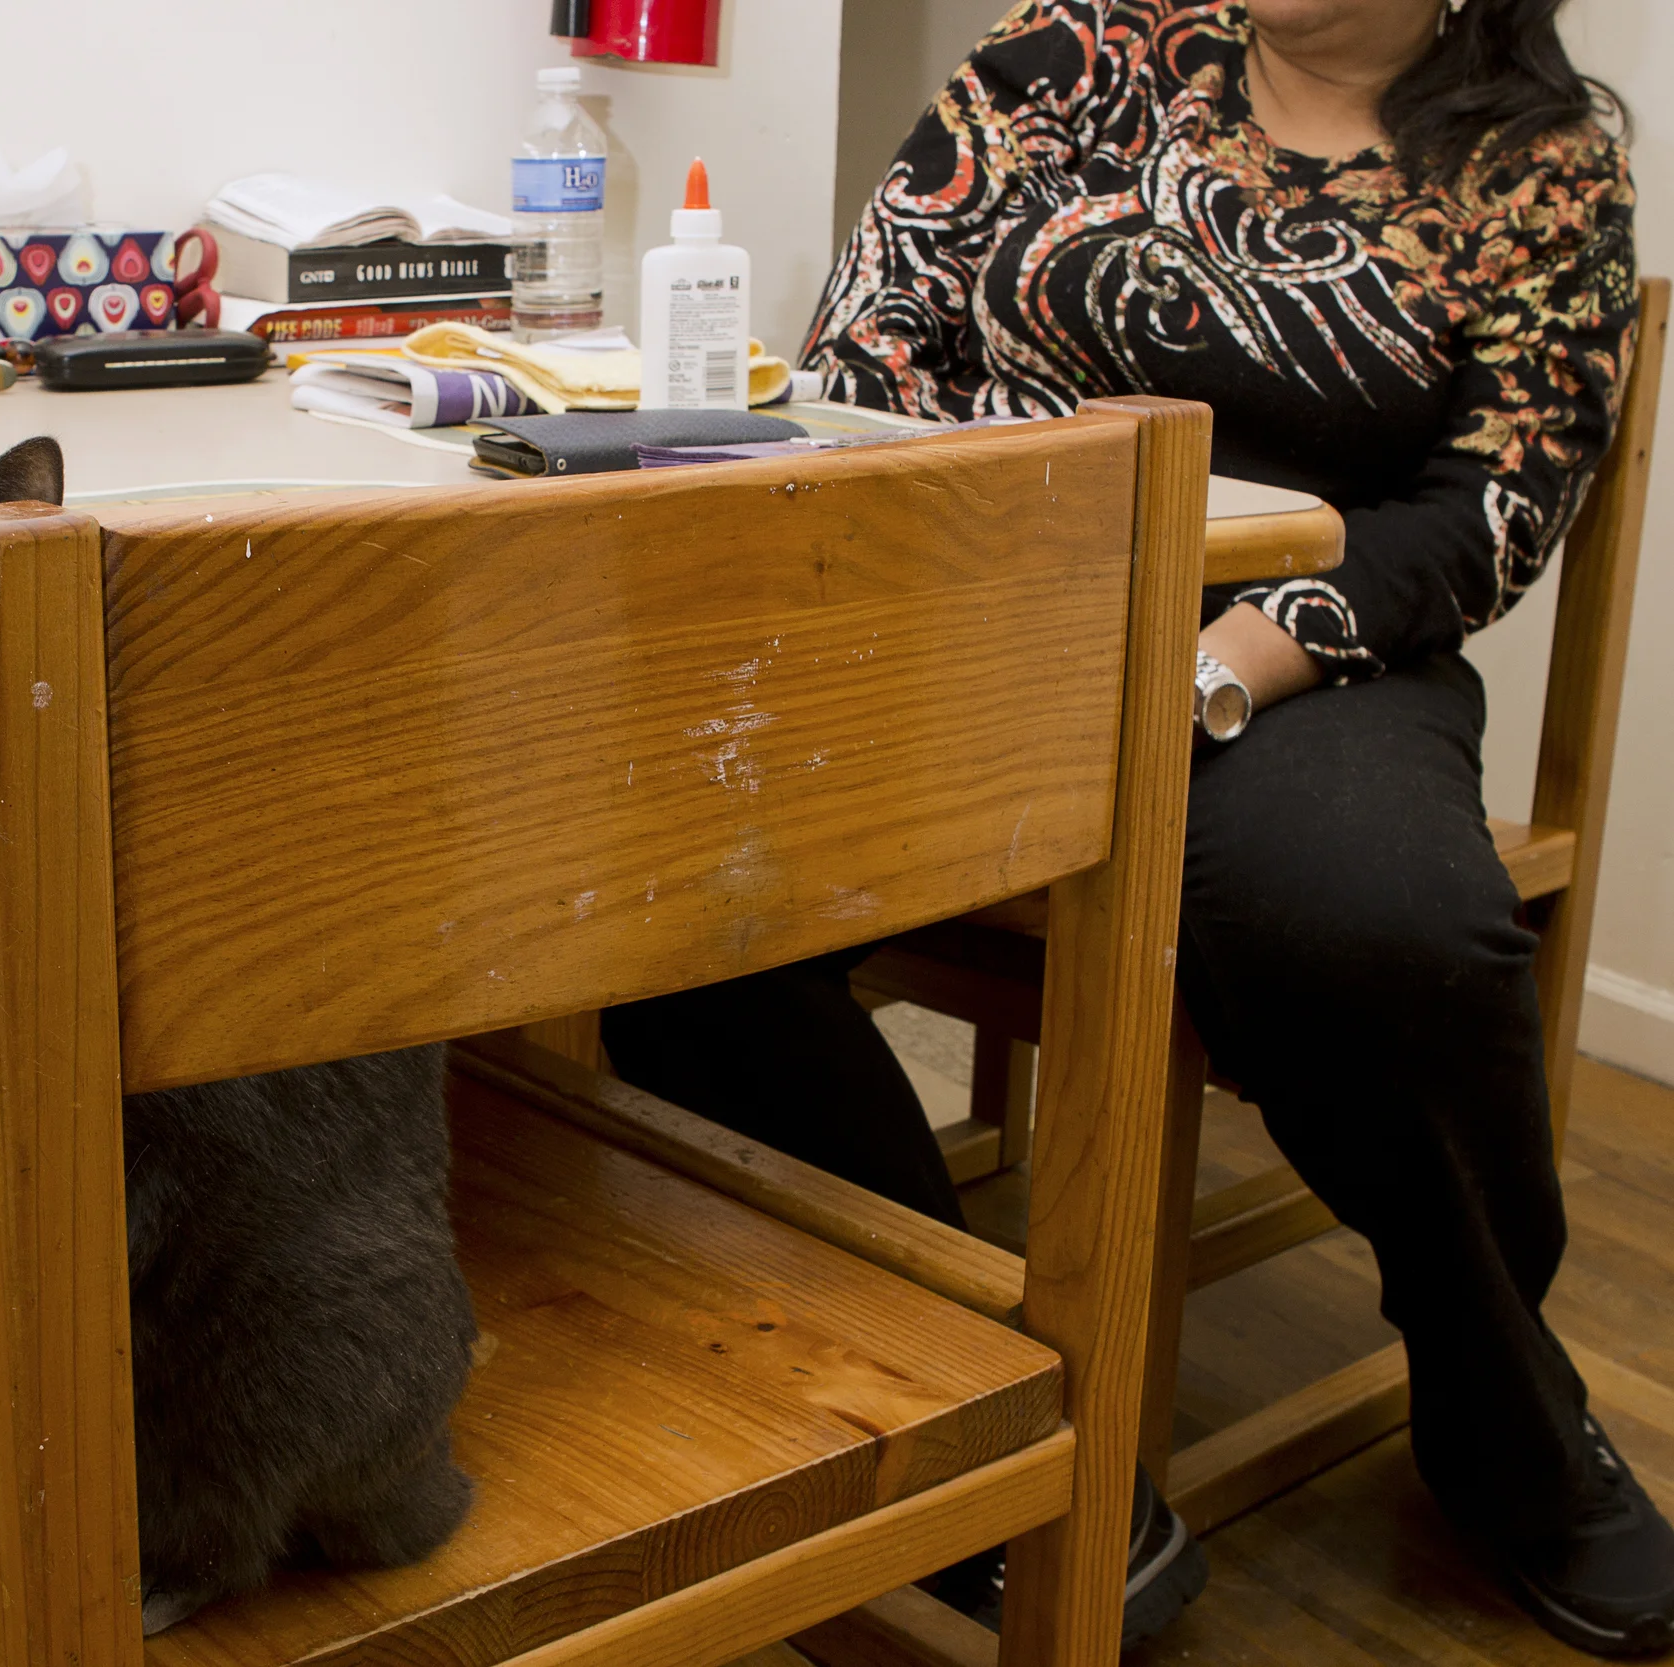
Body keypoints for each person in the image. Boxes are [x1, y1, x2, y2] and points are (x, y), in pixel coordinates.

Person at [602, 0, 1674, 1655]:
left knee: (1372, 923)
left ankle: (1496, 1392)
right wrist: (938, 605)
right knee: (658, 886)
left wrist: (1219, 673)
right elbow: (865, 357)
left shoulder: (1536, 167)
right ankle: (973, 1414)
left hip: (1299, 655)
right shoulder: (1063, 64)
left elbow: (1489, 510)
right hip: (975, 615)